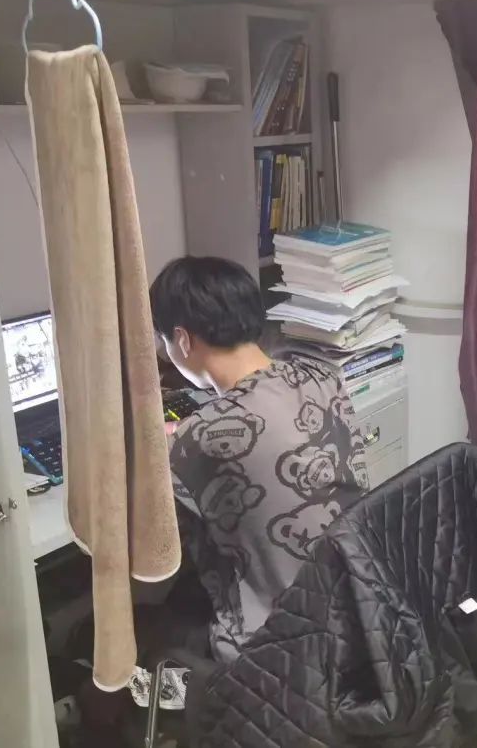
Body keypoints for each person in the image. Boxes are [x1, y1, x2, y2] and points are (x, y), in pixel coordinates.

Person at [150, 255, 369, 661]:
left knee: (152, 626)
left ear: (182, 340)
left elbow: (152, 540)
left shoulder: (199, 437)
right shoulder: (323, 377)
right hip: (357, 606)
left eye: (163, 342)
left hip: (275, 643)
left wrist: (169, 439)